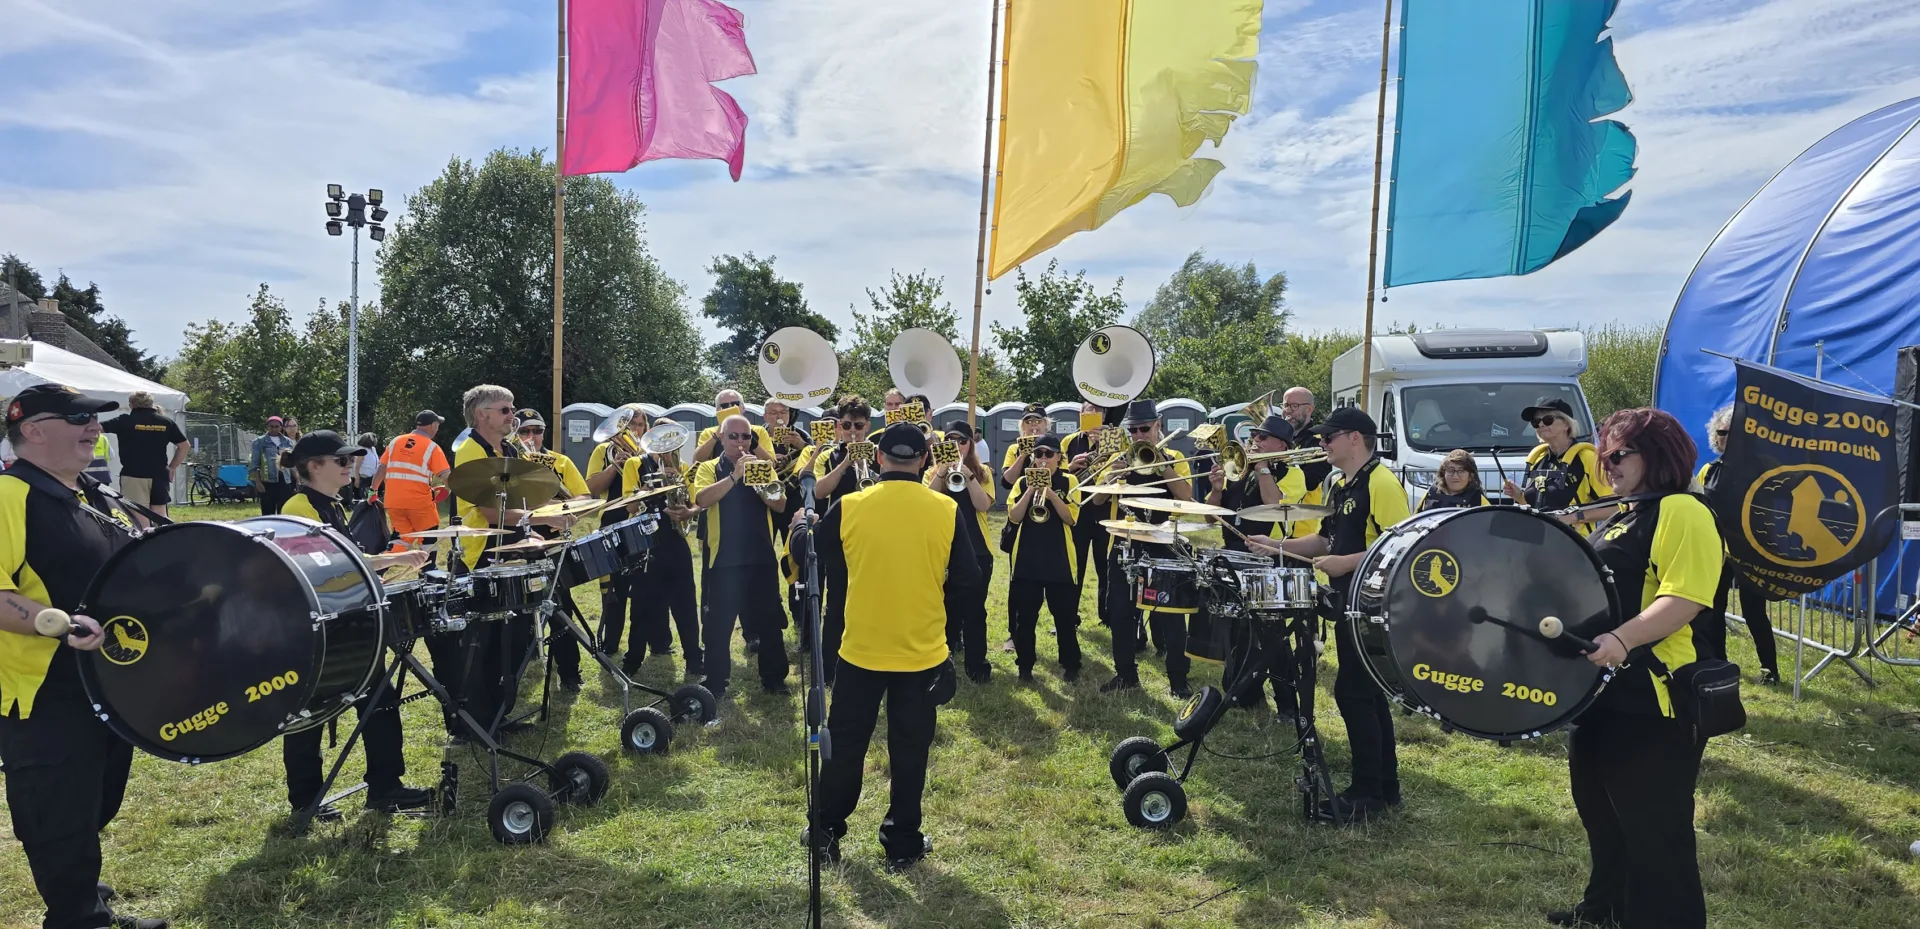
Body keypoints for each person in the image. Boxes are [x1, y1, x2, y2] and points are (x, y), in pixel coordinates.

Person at [0, 383, 172, 929]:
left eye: (95, 419)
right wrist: (55, 623)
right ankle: (76, 916)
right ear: (32, 430)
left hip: (107, 679)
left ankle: (79, 887)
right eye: (79, 419)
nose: (94, 428)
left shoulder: (92, 494)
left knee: (95, 798)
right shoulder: (8, 496)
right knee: (57, 810)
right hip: (42, 688)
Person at [1548, 408, 1720, 929]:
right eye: (1605, 454)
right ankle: (1603, 911)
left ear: (1658, 454)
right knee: (1602, 814)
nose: (1608, 464)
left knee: (1655, 830)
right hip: (1602, 690)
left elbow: (1684, 598)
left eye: (1620, 453)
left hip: (1654, 696)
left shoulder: (1682, 510)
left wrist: (1623, 639)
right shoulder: (1627, 512)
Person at [802, 421, 981, 871]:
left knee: (845, 746)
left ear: (879, 458)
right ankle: (902, 842)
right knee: (909, 751)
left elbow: (812, 555)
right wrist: (943, 624)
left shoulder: (849, 505)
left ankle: (825, 830)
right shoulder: (946, 508)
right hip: (922, 652)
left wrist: (805, 529)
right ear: (923, 461)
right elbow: (968, 579)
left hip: (860, 649)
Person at [1259, 405, 1410, 822]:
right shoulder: (1342, 484)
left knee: (1354, 692)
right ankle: (1386, 787)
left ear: (1355, 439)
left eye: (1329, 437)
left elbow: (1401, 547)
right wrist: (1275, 546)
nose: (1322, 443)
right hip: (1350, 601)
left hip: (1372, 603)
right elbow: (1326, 541)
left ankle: (1368, 793)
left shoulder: (1381, 482)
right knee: (1367, 692)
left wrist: (1346, 564)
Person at [275, 430, 433, 819]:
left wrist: (390, 561)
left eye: (351, 460)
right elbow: (322, 565)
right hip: (315, 629)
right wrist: (389, 560)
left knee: (380, 700)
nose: (352, 466)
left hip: (345, 620)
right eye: (342, 461)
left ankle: (385, 787)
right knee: (308, 714)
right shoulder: (298, 508)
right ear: (315, 467)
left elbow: (347, 557)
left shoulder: (330, 505)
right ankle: (305, 801)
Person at [448, 386, 574, 735]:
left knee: (514, 637)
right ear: (481, 414)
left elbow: (522, 498)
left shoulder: (508, 448)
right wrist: (542, 518)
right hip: (481, 554)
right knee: (485, 642)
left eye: (512, 407)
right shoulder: (470, 449)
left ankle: (497, 716)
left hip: (509, 549)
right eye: (504, 409)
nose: (512, 415)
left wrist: (563, 506)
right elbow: (489, 511)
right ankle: (477, 723)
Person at [1205, 414, 1308, 719]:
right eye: (1254, 437)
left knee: (1272, 635)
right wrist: (1217, 489)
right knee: (1237, 629)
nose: (1255, 442)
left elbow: (1274, 505)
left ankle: (1288, 705)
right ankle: (1247, 695)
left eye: (1263, 438)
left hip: (1268, 559)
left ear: (1282, 445)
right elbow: (1210, 517)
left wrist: (1262, 467)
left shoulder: (1293, 474)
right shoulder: (1239, 470)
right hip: (1234, 555)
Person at [1101, 399, 1197, 696]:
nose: (1138, 435)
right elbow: (1096, 500)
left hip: (1163, 543)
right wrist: (1111, 476)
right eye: (1133, 430)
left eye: (1144, 428)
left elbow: (1186, 497)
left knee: (1170, 614)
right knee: (1120, 613)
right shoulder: (1120, 457)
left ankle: (1178, 680)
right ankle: (1126, 675)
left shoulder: (1175, 456)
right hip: (1126, 543)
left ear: (1158, 426)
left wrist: (1162, 464)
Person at [691, 414, 790, 701]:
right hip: (723, 558)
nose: (739, 442)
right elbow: (701, 500)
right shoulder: (709, 467)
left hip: (760, 556)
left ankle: (774, 679)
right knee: (718, 625)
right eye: (733, 436)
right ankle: (716, 680)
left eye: (746, 437)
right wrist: (735, 476)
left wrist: (759, 482)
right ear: (722, 438)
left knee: (769, 621)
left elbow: (780, 505)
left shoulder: (763, 467)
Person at [511, 409, 602, 691]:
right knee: (515, 609)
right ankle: (515, 669)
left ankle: (569, 672)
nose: (531, 437)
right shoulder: (508, 462)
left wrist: (560, 507)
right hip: (516, 542)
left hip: (552, 542)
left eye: (537, 431)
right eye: (524, 431)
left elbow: (583, 496)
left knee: (560, 608)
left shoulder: (560, 461)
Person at [615, 410, 705, 678]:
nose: (667, 445)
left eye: (672, 440)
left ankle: (694, 658)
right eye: (662, 439)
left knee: (685, 602)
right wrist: (650, 487)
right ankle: (632, 660)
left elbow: (694, 505)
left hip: (675, 540)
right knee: (642, 603)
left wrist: (686, 507)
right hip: (645, 542)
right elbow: (630, 506)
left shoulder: (683, 467)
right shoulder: (635, 464)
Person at [1695, 404, 1780, 684]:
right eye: (1722, 432)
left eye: (1735, 432)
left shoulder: (1762, 469)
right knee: (1713, 610)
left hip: (1750, 551)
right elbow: (1698, 507)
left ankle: (1770, 670)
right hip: (1717, 552)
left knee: (1754, 612)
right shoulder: (1708, 471)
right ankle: (1718, 662)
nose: (1727, 438)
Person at [1005, 434, 1083, 682]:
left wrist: (1051, 494)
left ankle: (1071, 665)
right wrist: (1030, 490)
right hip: (1026, 560)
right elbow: (1014, 517)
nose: (1043, 459)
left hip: (1059, 559)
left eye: (1049, 454)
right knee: (1025, 619)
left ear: (1059, 457)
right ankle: (1025, 667)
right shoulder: (1021, 483)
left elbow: (1071, 518)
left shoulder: (1069, 481)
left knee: (1065, 618)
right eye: (1038, 454)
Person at [809, 395, 874, 683]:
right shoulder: (829, 455)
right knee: (836, 604)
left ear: (867, 425)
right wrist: (847, 461)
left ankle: (868, 661)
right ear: (838, 426)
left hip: (871, 537)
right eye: (846, 425)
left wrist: (867, 466)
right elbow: (819, 491)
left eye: (858, 426)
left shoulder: (878, 453)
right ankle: (829, 668)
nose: (852, 431)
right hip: (840, 537)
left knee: (870, 602)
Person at [926, 422, 995, 682]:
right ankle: (942, 662)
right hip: (942, 548)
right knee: (944, 609)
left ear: (970, 445)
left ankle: (977, 667)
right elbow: (927, 502)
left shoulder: (983, 472)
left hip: (977, 549)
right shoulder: (932, 473)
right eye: (950, 441)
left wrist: (969, 475)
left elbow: (982, 505)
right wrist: (942, 472)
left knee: (975, 610)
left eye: (962, 441)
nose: (956, 446)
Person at [1502, 397, 1612, 528]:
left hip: (1574, 539)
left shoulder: (1588, 458)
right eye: (1536, 422)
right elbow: (1536, 508)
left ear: (1566, 424)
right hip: (1539, 537)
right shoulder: (1538, 459)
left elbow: (1616, 506)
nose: (1541, 425)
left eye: (1548, 419)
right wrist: (1519, 496)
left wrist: (1575, 517)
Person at [1064, 401, 1118, 626]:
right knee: (1075, 565)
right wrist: (1070, 467)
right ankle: (1069, 616)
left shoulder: (1114, 438)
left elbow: (1121, 467)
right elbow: (1057, 473)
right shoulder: (1069, 441)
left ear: (1104, 415)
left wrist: (1105, 445)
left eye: (1099, 410)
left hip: (1105, 510)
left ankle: (1108, 616)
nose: (1095, 413)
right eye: (1090, 410)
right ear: (1081, 414)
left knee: (1105, 566)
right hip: (1077, 512)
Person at [101, 391, 189, 527]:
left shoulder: (124, 421)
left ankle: (145, 539)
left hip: (134, 475)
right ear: (152, 404)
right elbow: (184, 446)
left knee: (138, 513)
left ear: (131, 405)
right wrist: (172, 467)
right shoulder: (165, 422)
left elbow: (97, 428)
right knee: (160, 514)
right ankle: (164, 538)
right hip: (160, 474)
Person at [374, 411, 452, 549]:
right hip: (419, 503)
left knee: (400, 537)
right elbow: (445, 475)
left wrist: (373, 490)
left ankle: (388, 561)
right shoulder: (432, 447)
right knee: (428, 536)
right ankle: (427, 563)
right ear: (433, 425)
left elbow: (382, 467)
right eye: (437, 425)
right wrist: (450, 488)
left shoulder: (396, 441)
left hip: (393, 501)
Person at [693, 388, 772, 463]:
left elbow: (771, 463)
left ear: (743, 408)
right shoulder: (708, 433)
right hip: (718, 472)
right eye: (724, 406)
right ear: (717, 411)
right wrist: (716, 436)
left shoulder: (759, 431)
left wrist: (750, 437)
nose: (730, 408)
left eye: (735, 404)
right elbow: (697, 461)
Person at [250, 415, 297, 515]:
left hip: (285, 480)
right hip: (267, 481)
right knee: (268, 511)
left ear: (281, 427)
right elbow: (254, 464)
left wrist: (297, 480)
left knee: (284, 511)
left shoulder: (287, 441)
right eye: (271, 426)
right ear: (267, 427)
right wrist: (258, 482)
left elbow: (292, 464)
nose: (274, 429)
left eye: (276, 426)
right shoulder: (259, 442)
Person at [1418, 448, 1490, 511]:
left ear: (1471, 476)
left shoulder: (1479, 501)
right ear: (1443, 473)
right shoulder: (1430, 495)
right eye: (1450, 470)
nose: (1455, 476)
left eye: (1461, 471)